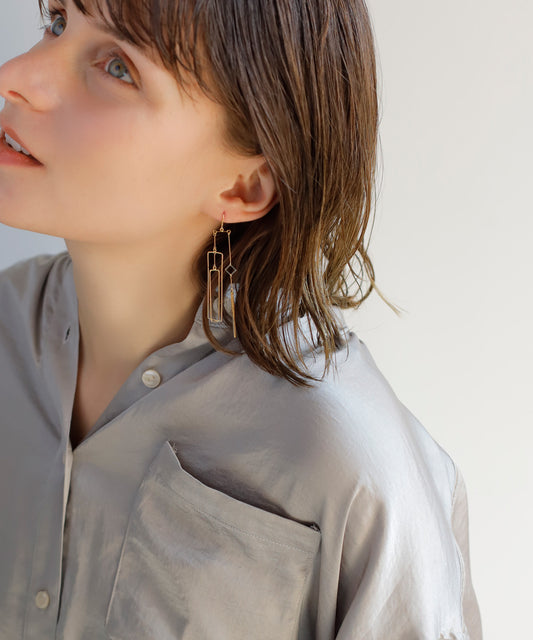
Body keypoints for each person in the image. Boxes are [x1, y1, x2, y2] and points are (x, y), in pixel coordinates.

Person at [0, 0, 483, 638]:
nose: (17, 75)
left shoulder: (350, 466)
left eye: (118, 67)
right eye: (58, 21)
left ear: (243, 186)